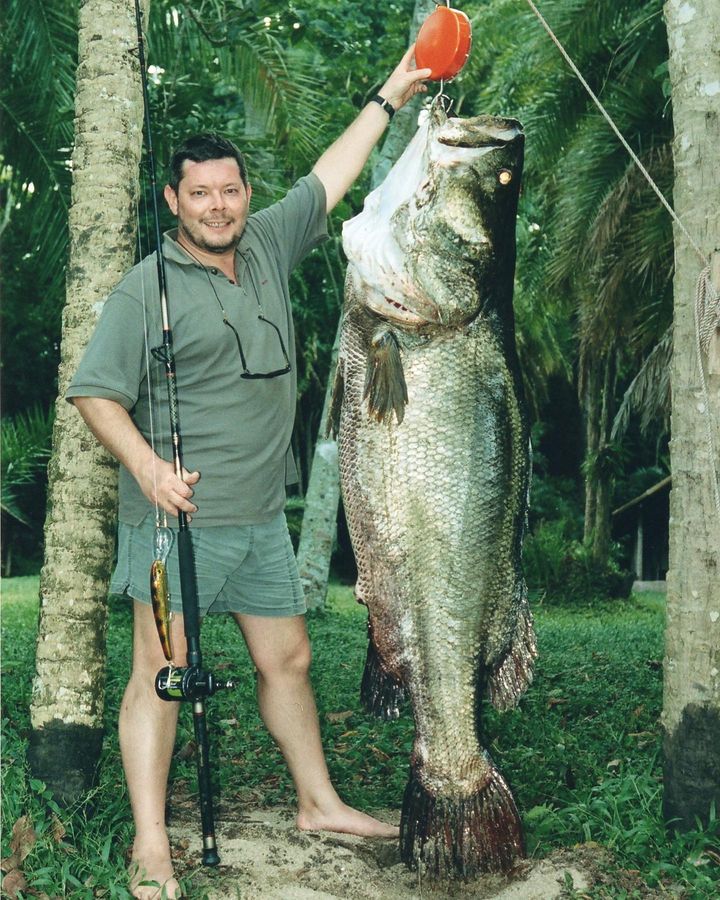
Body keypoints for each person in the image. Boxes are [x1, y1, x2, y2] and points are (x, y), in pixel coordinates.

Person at [67, 48, 431, 900]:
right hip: (174, 522)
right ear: (174, 201)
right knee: (163, 671)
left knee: (291, 658)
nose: (219, 205)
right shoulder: (143, 289)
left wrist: (394, 88)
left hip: (262, 517)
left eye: (230, 189)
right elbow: (93, 394)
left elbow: (332, 173)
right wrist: (150, 468)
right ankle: (151, 846)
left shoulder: (269, 241)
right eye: (201, 193)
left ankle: (318, 802)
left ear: (244, 195)